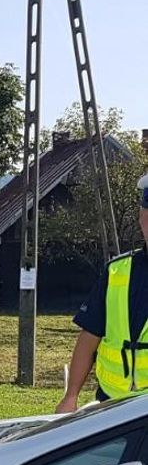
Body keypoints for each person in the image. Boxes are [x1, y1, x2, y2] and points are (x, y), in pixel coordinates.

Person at [57, 172, 148, 413]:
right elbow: (90, 335)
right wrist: (71, 395)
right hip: (112, 407)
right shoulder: (117, 271)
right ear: (141, 216)